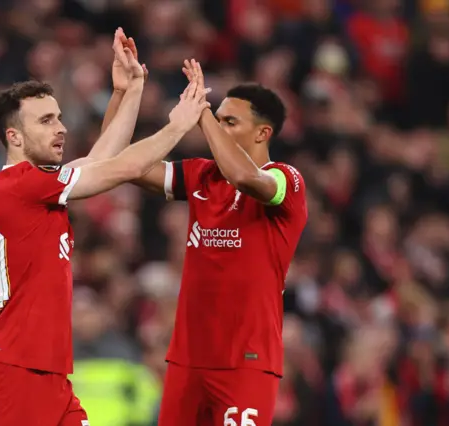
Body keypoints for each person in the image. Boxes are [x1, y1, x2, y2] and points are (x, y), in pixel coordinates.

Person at [0, 27, 211, 426]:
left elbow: (102, 157)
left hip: (49, 375)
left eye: (59, 118)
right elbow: (124, 168)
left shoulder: (39, 188)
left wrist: (129, 89)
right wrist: (179, 125)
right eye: (46, 121)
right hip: (13, 373)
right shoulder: (18, 185)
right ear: (14, 136)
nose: (60, 128)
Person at [109, 58, 308, 425]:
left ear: (263, 133)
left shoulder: (285, 180)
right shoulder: (202, 176)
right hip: (188, 359)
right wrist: (125, 93)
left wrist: (200, 113)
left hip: (246, 362)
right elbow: (120, 163)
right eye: (217, 118)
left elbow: (244, 176)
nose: (217, 125)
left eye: (228, 121)